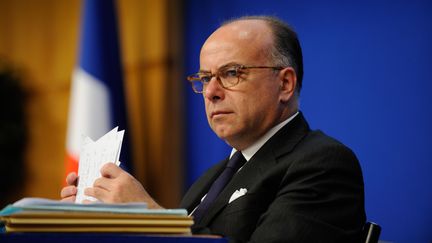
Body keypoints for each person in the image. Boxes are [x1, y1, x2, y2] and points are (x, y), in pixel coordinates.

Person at [61, 16, 366, 242]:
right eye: (206, 78)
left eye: (231, 73)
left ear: (285, 83)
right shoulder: (212, 178)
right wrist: (107, 223)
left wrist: (148, 217)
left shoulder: (323, 164)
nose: (211, 92)